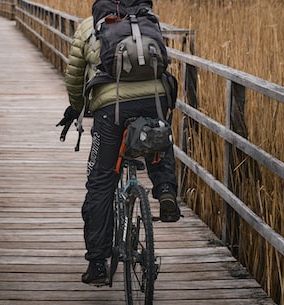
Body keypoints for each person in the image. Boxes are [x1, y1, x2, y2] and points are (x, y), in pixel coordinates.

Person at [57, 0, 180, 286]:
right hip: (155, 100)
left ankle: (98, 264)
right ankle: (165, 190)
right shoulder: (149, 21)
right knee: (157, 136)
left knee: (101, 182)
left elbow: (74, 75)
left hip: (111, 111)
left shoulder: (90, 27)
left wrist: (76, 107)